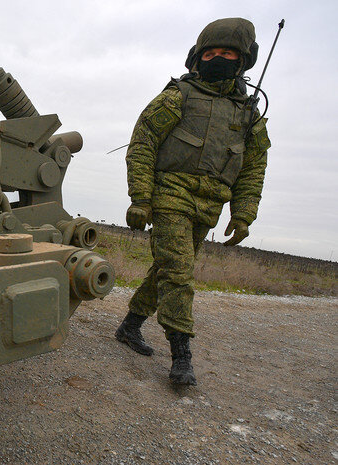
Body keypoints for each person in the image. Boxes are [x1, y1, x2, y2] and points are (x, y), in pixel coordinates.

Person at [115, 18, 271, 385]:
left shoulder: (249, 113)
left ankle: (130, 325)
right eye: (211, 52)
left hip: (211, 204)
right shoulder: (178, 95)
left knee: (167, 269)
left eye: (228, 52)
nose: (218, 57)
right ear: (197, 57)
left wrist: (244, 214)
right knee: (179, 272)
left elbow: (253, 168)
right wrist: (140, 197)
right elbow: (143, 142)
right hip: (170, 194)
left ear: (243, 59)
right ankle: (181, 353)